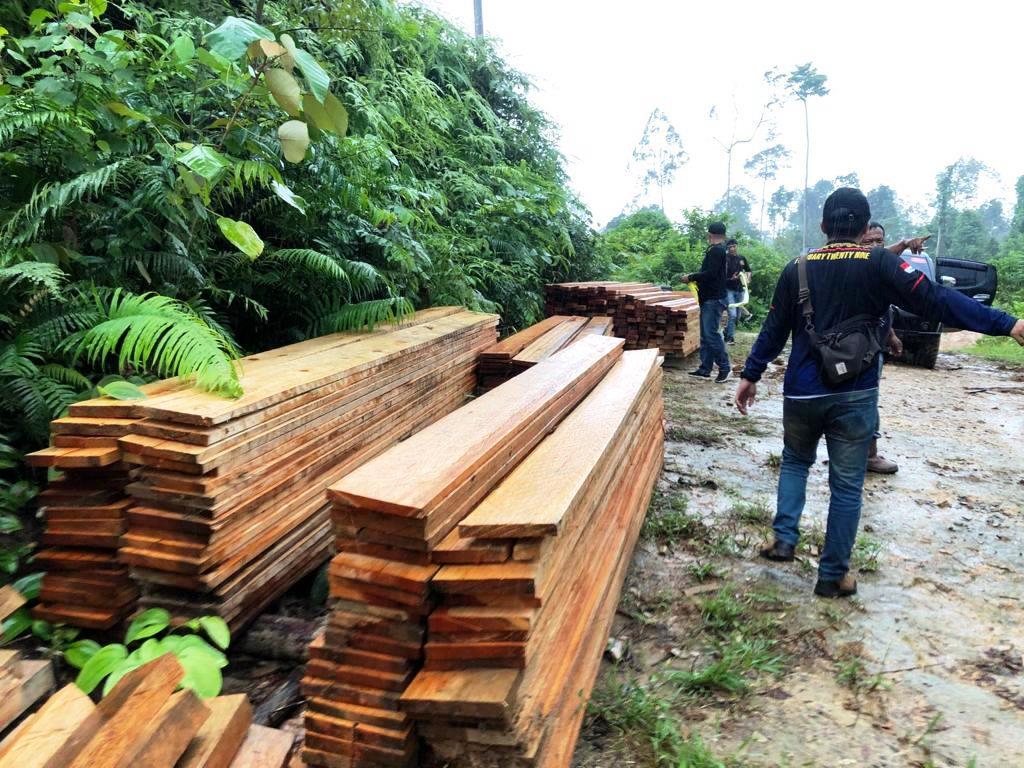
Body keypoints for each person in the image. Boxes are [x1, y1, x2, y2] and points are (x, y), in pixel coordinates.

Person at [734, 188, 1023, 598]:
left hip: (801, 393)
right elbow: (938, 301)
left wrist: (751, 374)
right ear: (866, 228)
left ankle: (784, 539)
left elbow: (774, 328)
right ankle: (833, 575)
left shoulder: (796, 268)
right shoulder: (880, 263)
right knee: (848, 484)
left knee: (796, 462)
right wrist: (1005, 323)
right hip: (855, 391)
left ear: (823, 226)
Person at [859, 222, 931, 474]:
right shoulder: (856, 265)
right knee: (859, 400)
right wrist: (903, 244)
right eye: (870, 242)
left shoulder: (881, 270)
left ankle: (867, 454)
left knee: (868, 399)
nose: (876, 247)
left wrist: (891, 335)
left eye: (880, 240)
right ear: (858, 241)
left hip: (875, 346)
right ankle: (861, 454)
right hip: (852, 348)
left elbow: (880, 308)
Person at [680, 222, 731, 383]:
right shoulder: (717, 250)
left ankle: (724, 367)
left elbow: (710, 274)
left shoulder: (717, 251)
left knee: (711, 334)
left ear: (710, 234)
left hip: (714, 299)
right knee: (706, 334)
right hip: (710, 298)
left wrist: (691, 277)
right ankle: (705, 369)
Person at [724, 239, 753, 344]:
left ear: (737, 246)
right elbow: (720, 276)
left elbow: (749, 270)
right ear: (727, 248)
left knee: (738, 316)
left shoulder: (742, 258)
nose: (732, 248)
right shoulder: (725, 259)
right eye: (730, 247)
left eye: (734, 246)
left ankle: (726, 331)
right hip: (728, 289)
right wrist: (730, 279)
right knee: (733, 315)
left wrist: (748, 279)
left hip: (740, 290)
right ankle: (729, 338)